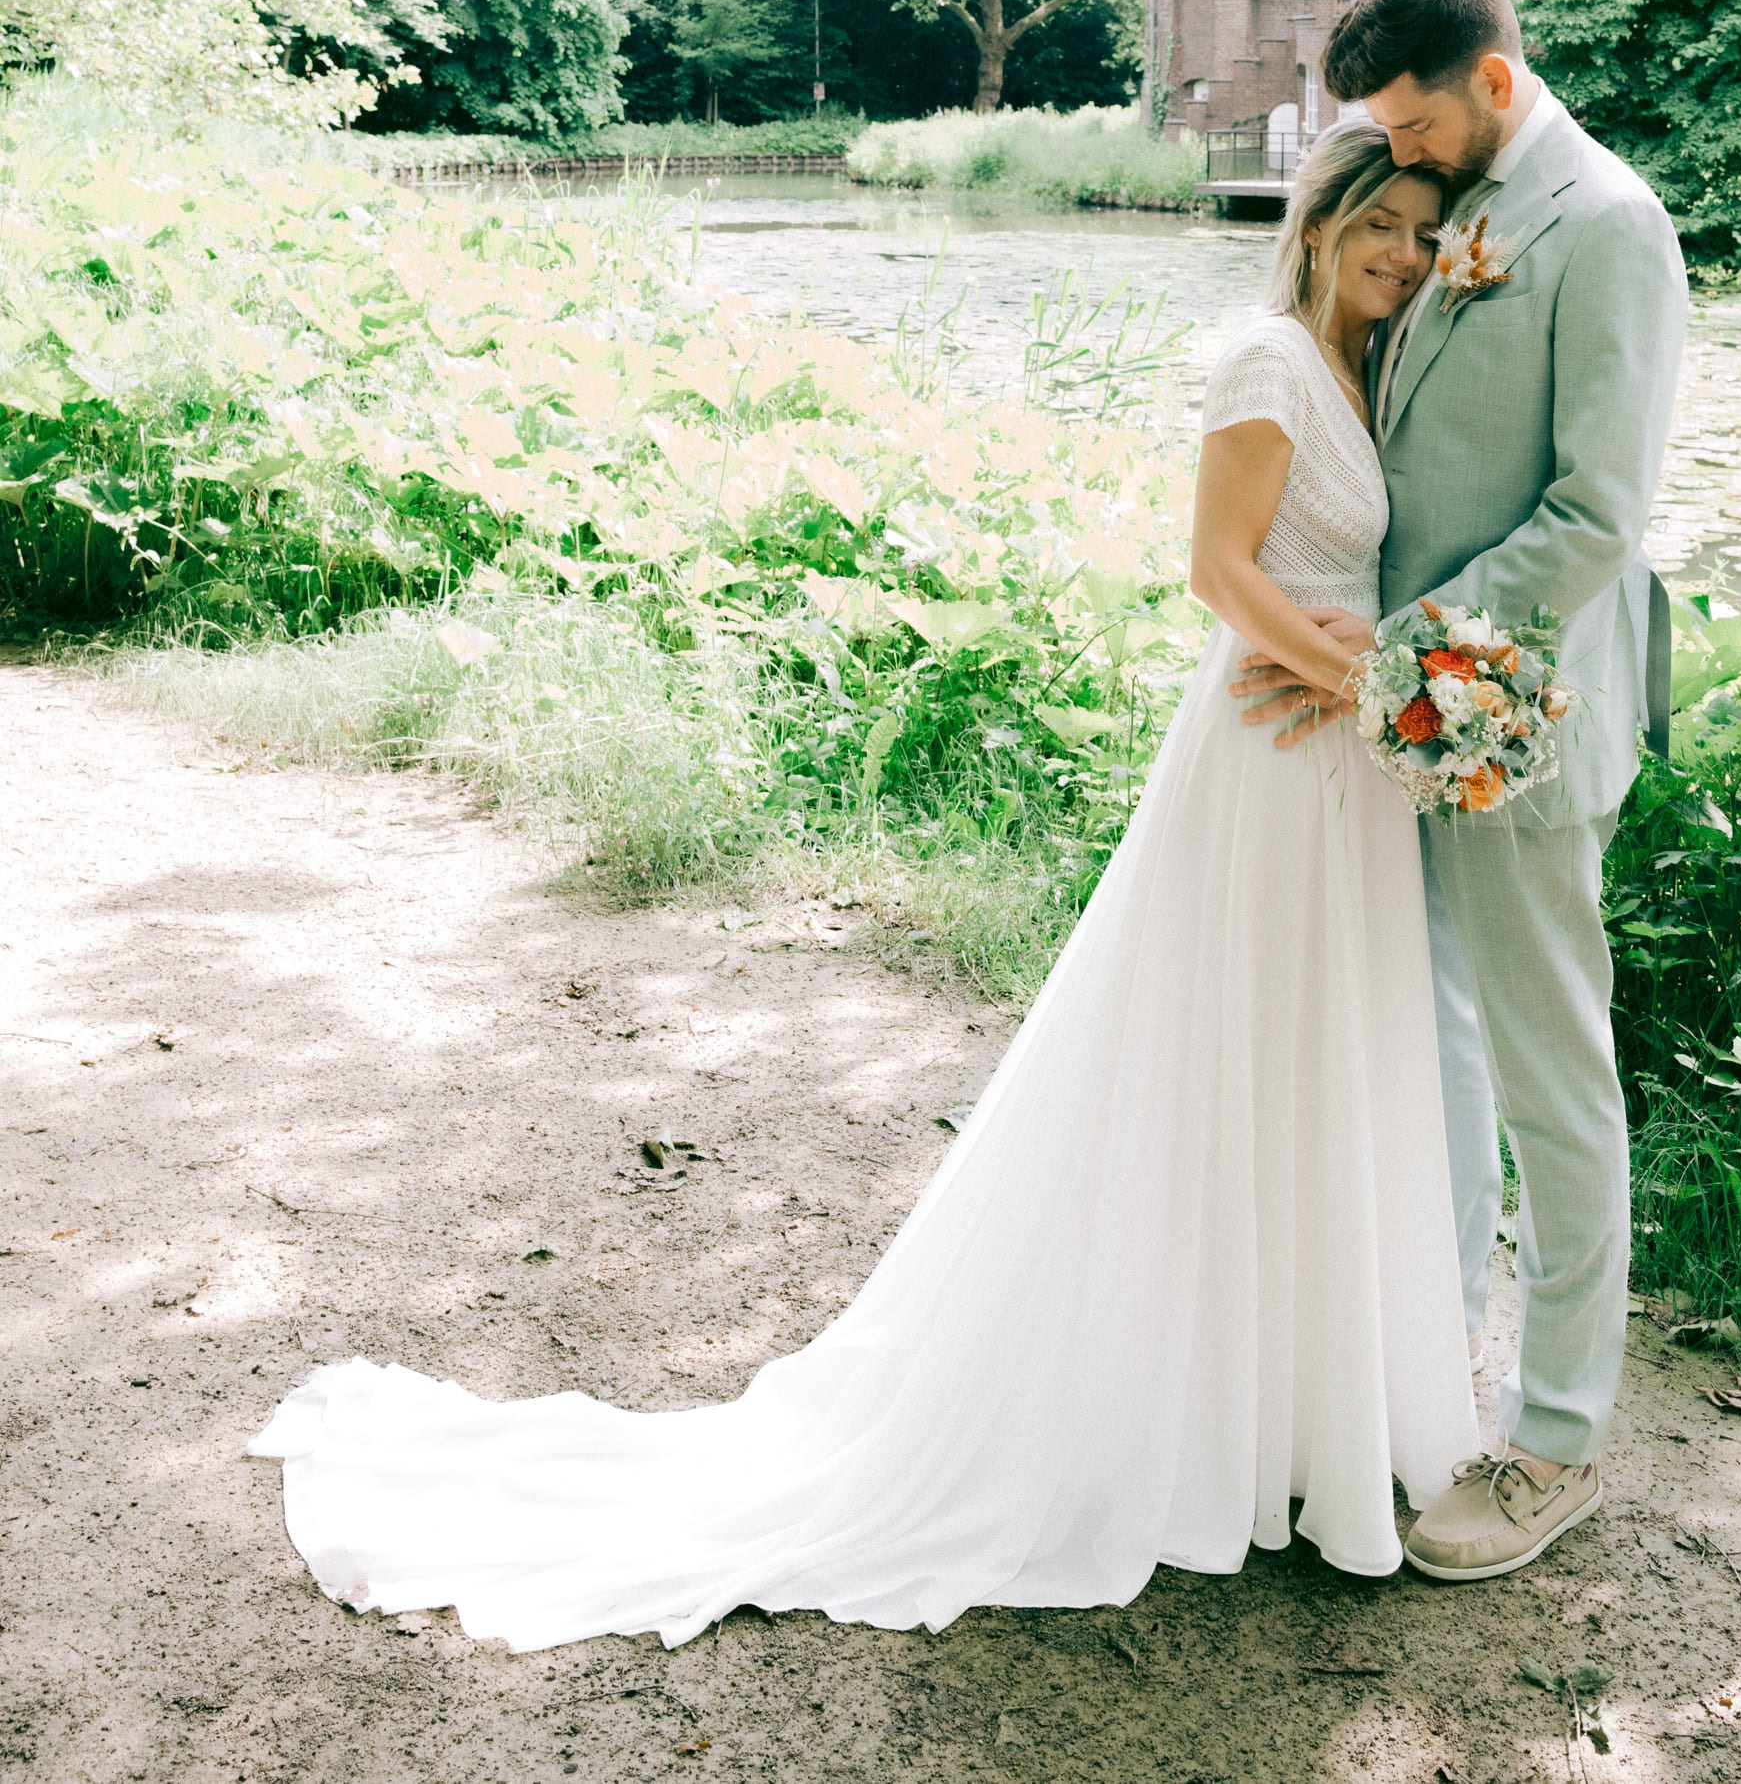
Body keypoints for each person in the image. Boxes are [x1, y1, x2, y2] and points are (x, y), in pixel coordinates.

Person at [249, 130, 1476, 1645]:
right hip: (1272, 757)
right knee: (1221, 1059)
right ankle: (1186, 1420)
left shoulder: (1376, 365)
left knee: (1312, 1073)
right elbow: (1219, 574)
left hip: (1344, 762)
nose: (1404, 255)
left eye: (1426, 233)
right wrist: (1367, 674)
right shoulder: (1266, 360)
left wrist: (1396, 684)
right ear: (1325, 217)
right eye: (1384, 225)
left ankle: (1298, 1421)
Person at [1233, 0, 1687, 1584]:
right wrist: (1337, 649)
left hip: (1522, 717)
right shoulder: (1468, 206)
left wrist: (1391, 649)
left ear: (1492, 82)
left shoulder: (1609, 225)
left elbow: (1592, 515)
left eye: (1414, 123)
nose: (1400, 157)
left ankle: (1557, 1437)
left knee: (1552, 1074)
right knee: (1433, 1052)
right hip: (1409, 710)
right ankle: (1425, 1386)